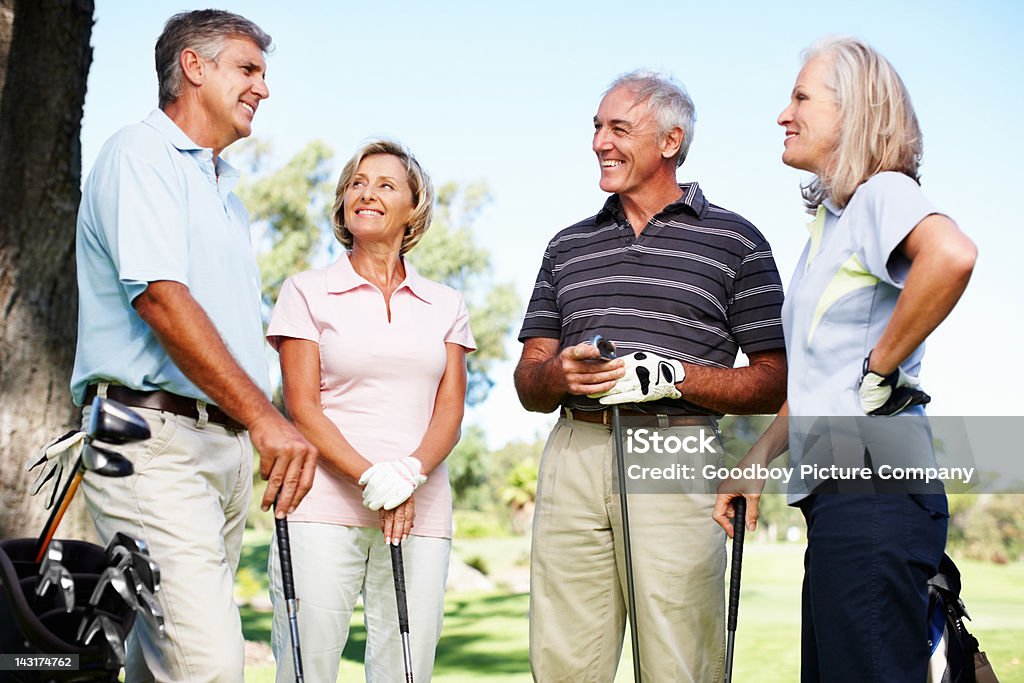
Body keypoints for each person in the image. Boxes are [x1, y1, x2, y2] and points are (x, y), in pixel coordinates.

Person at [713, 37, 977, 682]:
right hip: (843, 500)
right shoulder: (835, 224)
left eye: (801, 97)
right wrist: (755, 462)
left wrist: (880, 368)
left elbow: (952, 256)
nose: (783, 113)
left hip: (875, 492)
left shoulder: (883, 193)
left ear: (854, 111)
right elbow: (818, 380)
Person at [514, 70, 788, 682]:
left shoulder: (735, 242)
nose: (599, 143)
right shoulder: (567, 246)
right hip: (574, 447)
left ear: (671, 140)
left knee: (679, 659)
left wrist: (671, 376)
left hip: (675, 447)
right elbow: (528, 381)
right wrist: (557, 373)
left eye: (618, 128)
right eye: (596, 128)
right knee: (563, 662)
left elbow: (775, 381)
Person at [70, 10, 318, 681]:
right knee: (208, 665)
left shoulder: (225, 195)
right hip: (151, 440)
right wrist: (269, 419)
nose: (263, 89)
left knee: (161, 667)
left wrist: (252, 427)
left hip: (221, 450)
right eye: (248, 69)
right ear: (194, 67)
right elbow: (159, 299)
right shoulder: (139, 155)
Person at [265, 139, 475, 682]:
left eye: (385, 185)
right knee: (306, 669)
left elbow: (450, 410)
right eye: (357, 183)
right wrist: (372, 478)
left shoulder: (446, 303)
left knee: (405, 671)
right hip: (320, 506)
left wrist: (407, 474)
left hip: (420, 510)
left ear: (414, 208)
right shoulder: (306, 291)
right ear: (342, 204)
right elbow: (302, 406)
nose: (367, 193)